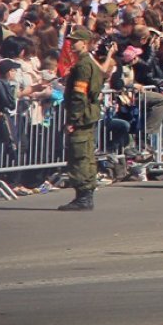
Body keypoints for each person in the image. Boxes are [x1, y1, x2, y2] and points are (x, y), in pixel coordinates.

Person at [59, 26, 112, 211]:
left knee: (79, 155)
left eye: (76, 41)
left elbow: (79, 95)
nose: (72, 44)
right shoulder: (90, 62)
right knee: (86, 153)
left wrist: (73, 120)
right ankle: (85, 194)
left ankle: (83, 195)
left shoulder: (83, 65)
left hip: (82, 115)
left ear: (85, 43)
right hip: (89, 113)